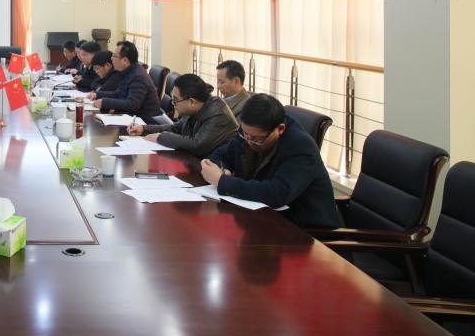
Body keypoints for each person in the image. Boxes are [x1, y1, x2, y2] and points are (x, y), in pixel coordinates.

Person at [202, 94, 342, 228]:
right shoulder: (250, 132)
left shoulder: (301, 147)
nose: (249, 141)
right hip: (261, 220)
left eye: (256, 139)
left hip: (305, 231)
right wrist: (221, 169)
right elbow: (221, 154)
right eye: (245, 135)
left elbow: (277, 193)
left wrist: (222, 181)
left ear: (280, 129)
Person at [126, 73, 238, 158]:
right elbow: (176, 128)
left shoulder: (218, 114)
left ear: (192, 102)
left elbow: (197, 145)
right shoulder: (194, 108)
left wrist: (161, 137)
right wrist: (144, 129)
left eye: (175, 100)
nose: (173, 104)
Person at [86, 42, 159, 122]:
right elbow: (118, 93)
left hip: (143, 121)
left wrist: (104, 102)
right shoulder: (128, 71)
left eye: (114, 56)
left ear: (125, 60)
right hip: (131, 117)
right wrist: (97, 94)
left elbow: (133, 104)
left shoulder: (138, 76)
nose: (111, 59)